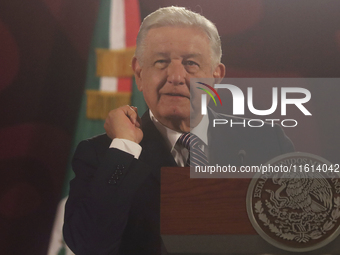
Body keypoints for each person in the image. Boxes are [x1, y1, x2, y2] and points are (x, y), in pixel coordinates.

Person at [63, 6, 294, 255]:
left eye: (191, 63)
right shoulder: (102, 155)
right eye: (161, 62)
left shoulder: (268, 143)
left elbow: (304, 234)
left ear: (216, 77)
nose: (175, 76)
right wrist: (125, 147)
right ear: (139, 73)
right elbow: (88, 246)